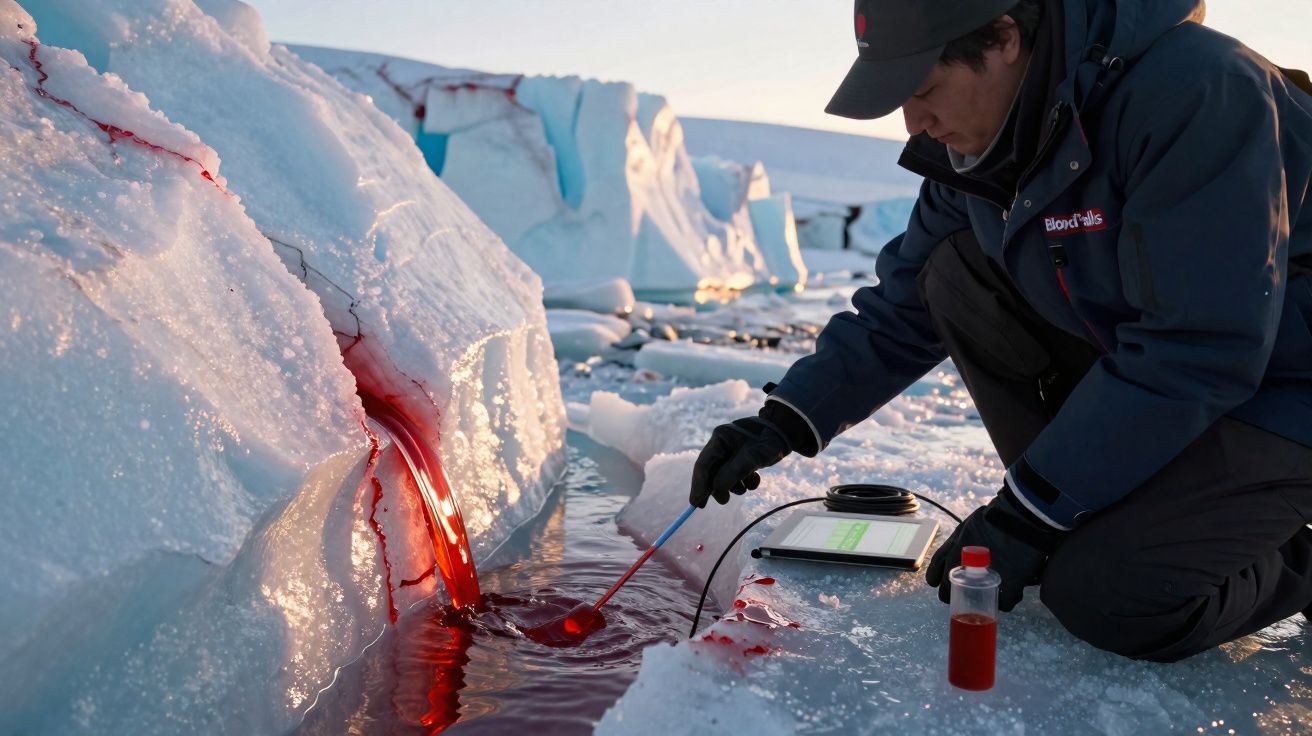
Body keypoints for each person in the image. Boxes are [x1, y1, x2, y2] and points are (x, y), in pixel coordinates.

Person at [689, 0, 1312, 662]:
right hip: (1165, 380)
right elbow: (904, 303)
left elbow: (1198, 345)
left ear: (1004, 38)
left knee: (1102, 592)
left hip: (1281, 390)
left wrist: (1029, 510)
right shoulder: (982, 150)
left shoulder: (1199, 91)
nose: (914, 123)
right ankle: (1096, 501)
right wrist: (785, 419)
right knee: (950, 271)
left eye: (924, 88)